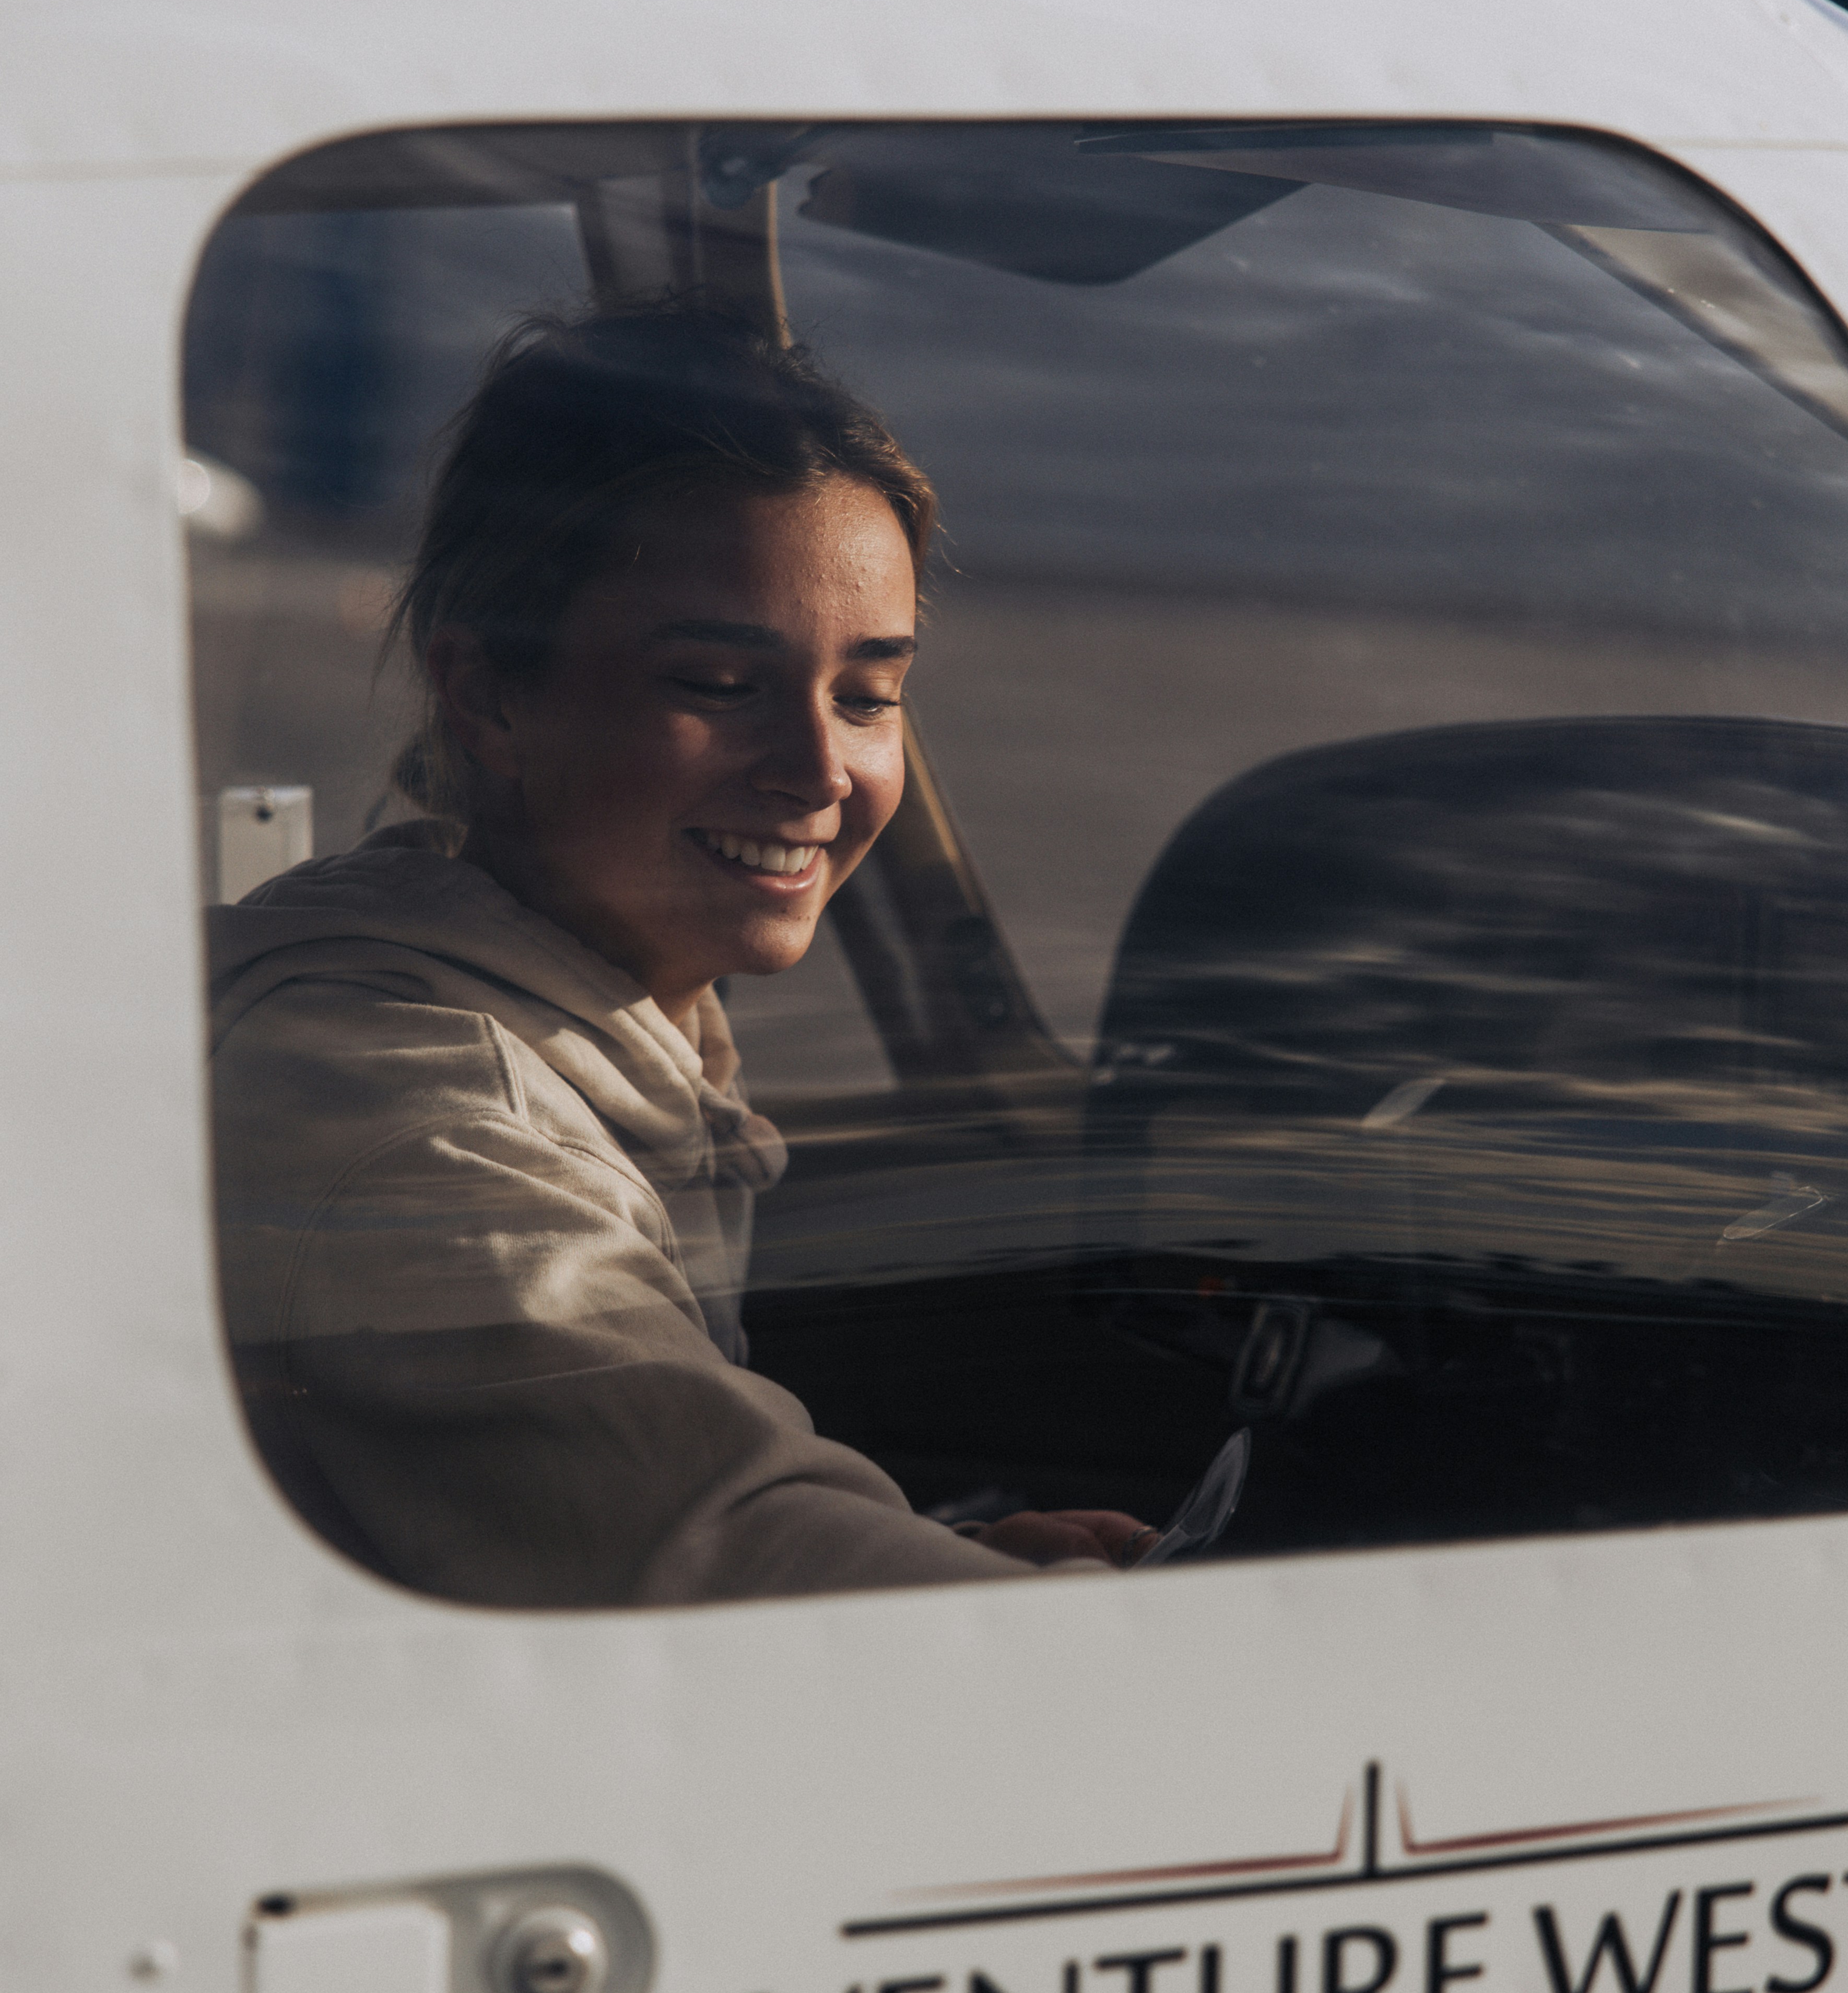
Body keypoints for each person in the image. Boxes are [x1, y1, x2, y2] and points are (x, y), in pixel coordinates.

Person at [209, 297, 1155, 1604]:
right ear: (486, 693)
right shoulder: (418, 1122)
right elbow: (728, 1566)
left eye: (869, 695)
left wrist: (959, 1555)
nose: (821, 769)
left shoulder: (578, 1008)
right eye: (717, 686)